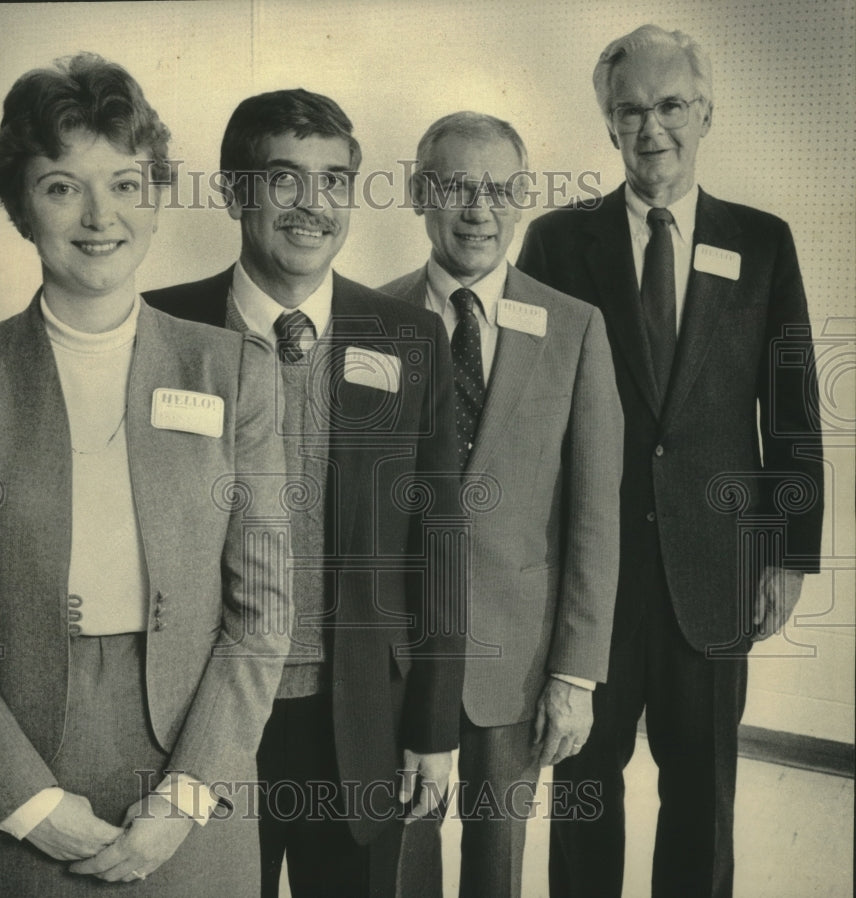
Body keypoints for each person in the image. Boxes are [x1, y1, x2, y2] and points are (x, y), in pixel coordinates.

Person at [0, 53, 289, 897]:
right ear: (22, 205)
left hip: (190, 775)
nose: (101, 216)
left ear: (157, 196)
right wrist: (27, 802)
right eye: (63, 185)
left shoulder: (236, 372)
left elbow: (264, 611)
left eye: (127, 184)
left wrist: (184, 795)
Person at [517, 24, 824, 898]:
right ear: (608, 125)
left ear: (706, 113)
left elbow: (793, 414)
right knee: (582, 779)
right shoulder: (555, 243)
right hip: (592, 579)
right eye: (630, 112)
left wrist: (790, 554)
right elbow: (533, 423)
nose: (651, 129)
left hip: (718, 570)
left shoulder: (762, 242)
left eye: (671, 107)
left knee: (704, 788)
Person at [144, 88, 465, 898]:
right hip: (200, 715)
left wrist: (432, 725)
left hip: (358, 714)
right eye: (284, 179)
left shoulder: (409, 338)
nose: (312, 205)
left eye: (333, 181)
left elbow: (441, 543)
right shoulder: (161, 332)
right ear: (233, 192)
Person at [380, 112, 622, 898]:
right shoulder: (366, 320)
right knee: (398, 866)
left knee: (498, 873)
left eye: (501, 189)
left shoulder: (576, 328)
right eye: (456, 186)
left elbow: (594, 516)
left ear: (523, 198)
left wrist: (576, 676)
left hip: (513, 670)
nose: (478, 208)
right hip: (395, 661)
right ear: (421, 194)